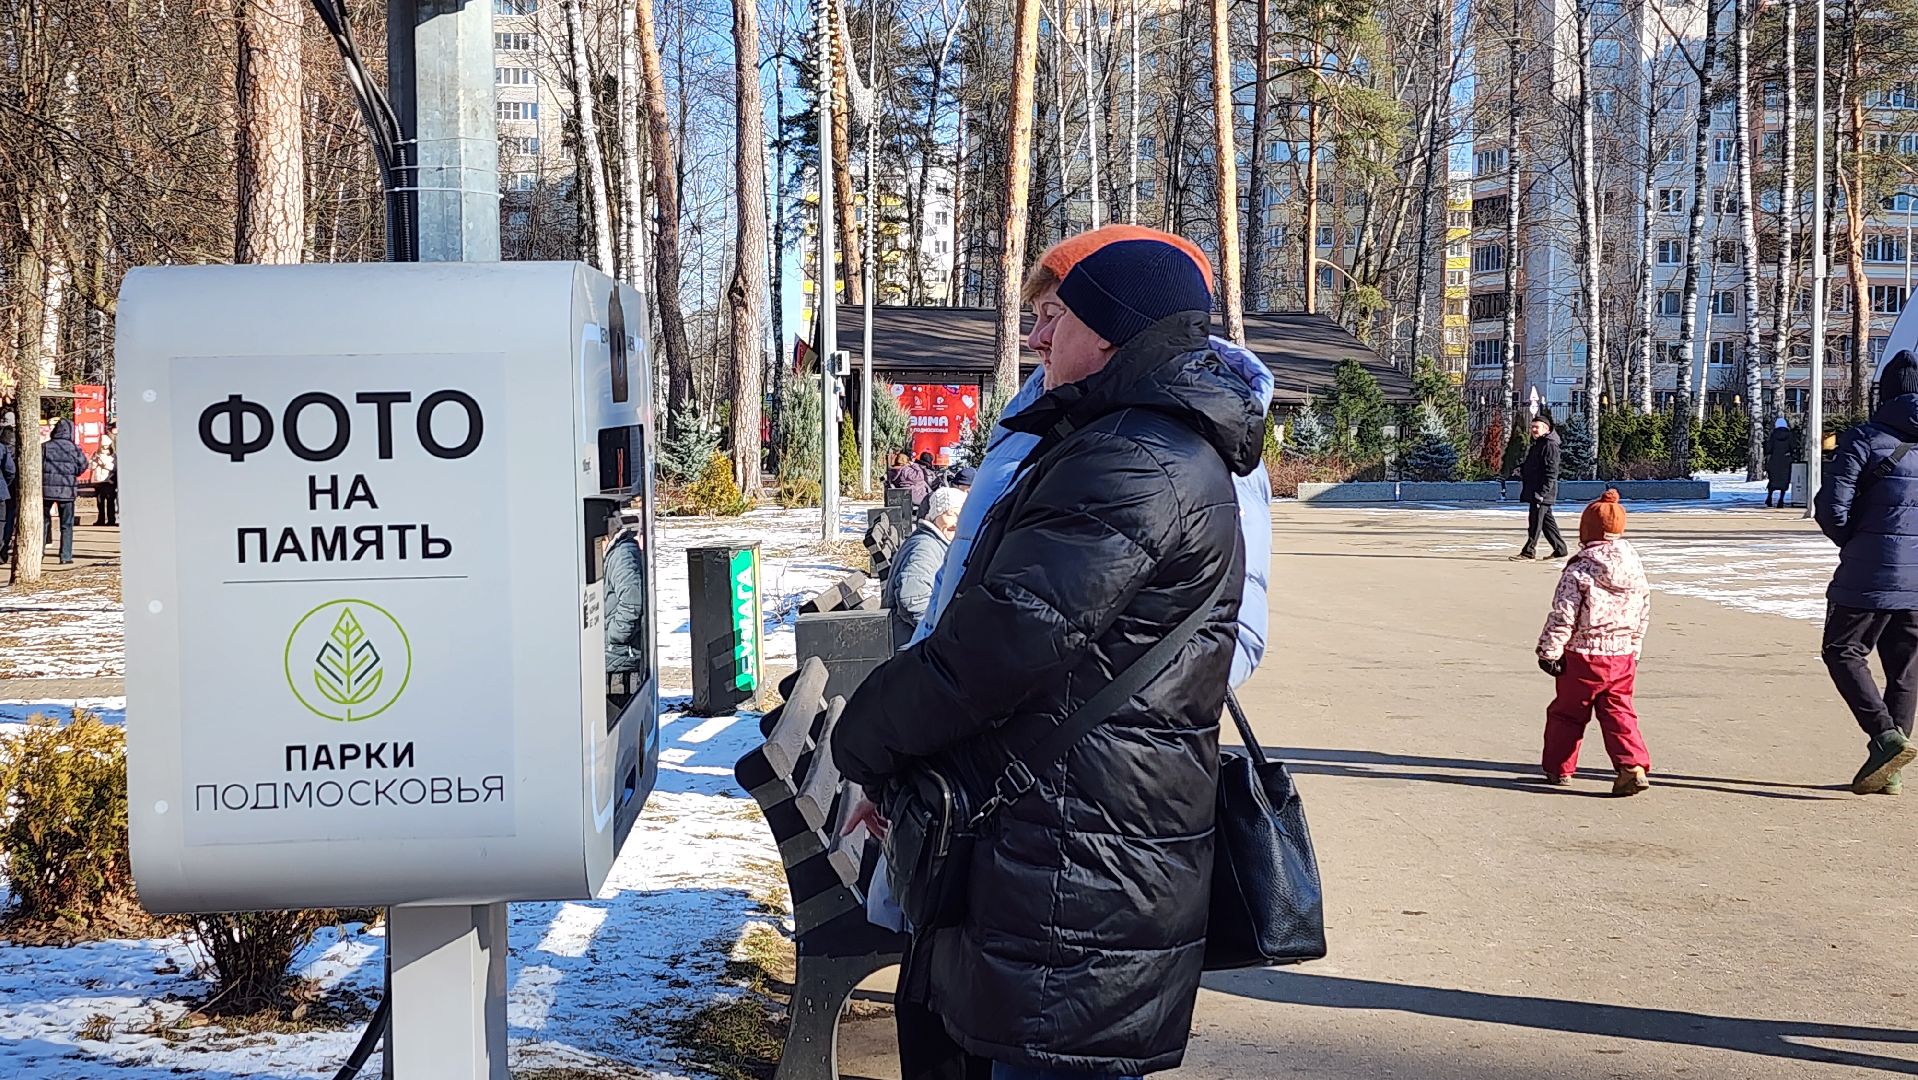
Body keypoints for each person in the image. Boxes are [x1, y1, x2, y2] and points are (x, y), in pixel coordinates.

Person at [833, 230, 1263, 1080]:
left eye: (1052, 319)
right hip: (1074, 854)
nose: (1033, 340)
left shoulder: (1132, 460)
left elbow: (995, 648)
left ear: (1111, 332)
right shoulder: (1133, 443)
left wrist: (866, 741)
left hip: (1076, 878)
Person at [1814, 351, 1918, 795]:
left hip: (1870, 572)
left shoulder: (1863, 439)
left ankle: (1885, 738)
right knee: (1906, 669)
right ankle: (1889, 771)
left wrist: (1857, 545)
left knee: (1842, 650)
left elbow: (1831, 508)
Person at [1536, 489, 1653, 796]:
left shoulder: (1580, 569)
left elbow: (1564, 613)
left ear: (1586, 531)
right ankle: (1632, 766)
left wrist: (1550, 650)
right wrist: (1635, 644)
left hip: (1584, 656)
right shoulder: (1634, 567)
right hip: (1622, 655)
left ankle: (1559, 768)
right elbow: (1643, 609)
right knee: (1619, 711)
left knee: (1568, 712)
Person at [883, 486, 965, 648]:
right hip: (909, 645)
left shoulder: (935, 542)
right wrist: (940, 634)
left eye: (961, 516)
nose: (956, 523)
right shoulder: (925, 548)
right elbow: (912, 599)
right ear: (936, 515)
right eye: (951, 514)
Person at [1511, 413, 1568, 561]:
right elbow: (1535, 465)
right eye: (1532, 427)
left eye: (1536, 427)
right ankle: (1560, 549)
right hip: (1536, 490)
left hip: (1541, 492)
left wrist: (1542, 492)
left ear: (1546, 429)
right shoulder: (1540, 444)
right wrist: (1520, 469)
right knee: (1547, 523)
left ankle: (1528, 552)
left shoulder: (1550, 445)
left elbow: (1551, 471)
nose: (1533, 430)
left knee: (1535, 522)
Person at [40, 418, 87, 565]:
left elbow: (38, 465)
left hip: (46, 489)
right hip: (67, 491)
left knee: (43, 522)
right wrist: (74, 474)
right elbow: (83, 465)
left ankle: (39, 552)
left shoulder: (45, 447)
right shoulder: (74, 448)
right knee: (67, 524)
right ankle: (65, 556)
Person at [887, 451, 931, 515]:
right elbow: (920, 477)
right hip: (915, 495)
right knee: (931, 496)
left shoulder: (894, 471)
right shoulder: (906, 471)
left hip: (906, 494)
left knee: (924, 484)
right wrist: (914, 465)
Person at [1765, 416, 1795, 508]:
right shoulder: (1790, 435)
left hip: (1774, 460)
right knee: (1784, 479)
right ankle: (1781, 500)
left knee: (1773, 479)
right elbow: (1793, 447)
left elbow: (1768, 448)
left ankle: (1769, 497)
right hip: (1786, 460)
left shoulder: (1773, 435)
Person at [93, 427, 118, 527]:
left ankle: (111, 519)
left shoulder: (112, 456)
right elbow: (91, 466)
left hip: (108, 481)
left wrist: (103, 463)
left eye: (105, 447)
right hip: (98, 480)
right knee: (100, 502)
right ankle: (101, 519)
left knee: (110, 501)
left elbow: (113, 467)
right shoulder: (96, 454)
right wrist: (94, 462)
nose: (104, 449)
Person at [0, 420, 15, 561]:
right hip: (4, 490)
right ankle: (2, 551)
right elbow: (10, 470)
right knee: (4, 521)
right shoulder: (3, 448)